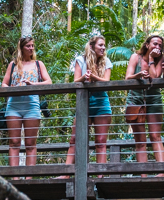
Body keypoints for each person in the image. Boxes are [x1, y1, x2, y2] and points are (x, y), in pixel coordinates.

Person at [61, 36, 113, 178]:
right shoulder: (80, 60)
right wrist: (84, 77)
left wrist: (95, 78)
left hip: (102, 104)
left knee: (101, 141)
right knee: (74, 139)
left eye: (104, 46)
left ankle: (100, 176)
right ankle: (66, 173)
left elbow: (106, 81)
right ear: (92, 46)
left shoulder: (106, 62)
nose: (103, 48)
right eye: (100, 45)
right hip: (83, 103)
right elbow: (75, 81)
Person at [1, 36, 52, 175]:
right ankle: (15, 178)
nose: (31, 48)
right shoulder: (13, 64)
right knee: (14, 142)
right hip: (14, 106)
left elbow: (49, 82)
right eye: (28, 46)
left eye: (32, 46)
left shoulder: (38, 64)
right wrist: (11, 88)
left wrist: (33, 84)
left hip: (32, 106)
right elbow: (4, 83)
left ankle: (29, 177)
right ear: (21, 48)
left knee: (30, 143)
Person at [125, 35, 164, 177]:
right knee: (140, 140)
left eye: (160, 45)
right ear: (147, 44)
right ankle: (144, 175)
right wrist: (138, 75)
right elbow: (127, 78)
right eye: (155, 44)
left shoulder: (161, 59)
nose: (158, 47)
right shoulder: (135, 57)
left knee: (155, 136)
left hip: (154, 99)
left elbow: (155, 77)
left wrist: (151, 60)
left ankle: (161, 172)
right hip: (135, 100)